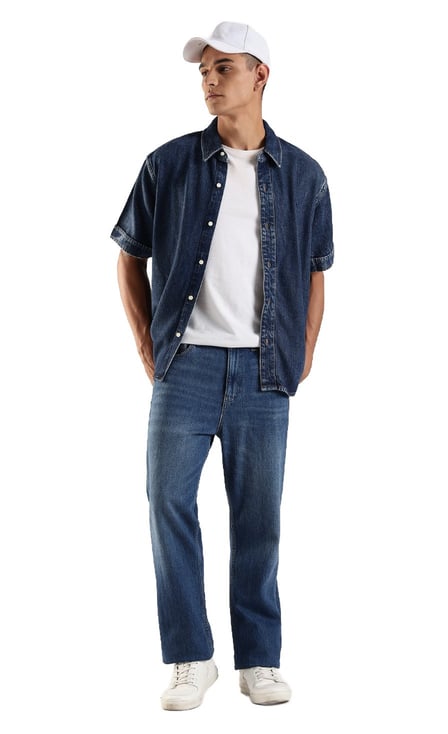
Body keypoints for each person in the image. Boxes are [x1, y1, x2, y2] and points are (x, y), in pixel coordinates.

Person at [111, 21, 334, 710]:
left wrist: (303, 350)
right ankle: (190, 658)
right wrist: (148, 347)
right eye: (204, 71)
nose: (209, 80)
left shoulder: (303, 175)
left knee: (259, 517)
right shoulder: (168, 164)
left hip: (266, 371)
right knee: (168, 504)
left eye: (224, 68)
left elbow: (316, 270)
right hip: (187, 367)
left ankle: (259, 660)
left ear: (260, 75)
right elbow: (129, 257)